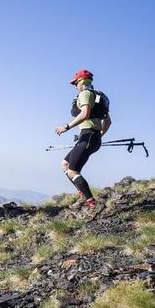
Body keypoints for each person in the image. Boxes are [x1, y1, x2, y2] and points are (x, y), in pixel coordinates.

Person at [54, 69, 112, 212]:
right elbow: (108, 122)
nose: (75, 87)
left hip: (88, 135)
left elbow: (85, 114)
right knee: (65, 164)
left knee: (73, 171)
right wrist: (98, 136)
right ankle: (82, 194)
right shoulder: (99, 97)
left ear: (82, 82)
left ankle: (93, 205)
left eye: (76, 83)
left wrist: (66, 127)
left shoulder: (85, 93)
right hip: (92, 137)